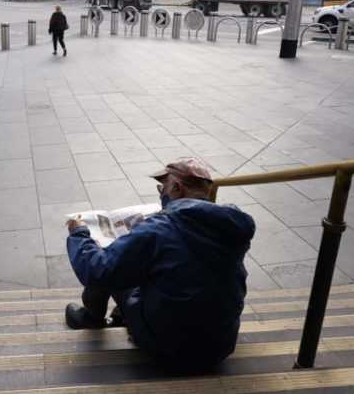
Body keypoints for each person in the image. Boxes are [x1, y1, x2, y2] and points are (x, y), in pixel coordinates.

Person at [64, 157, 256, 373]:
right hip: (220, 345)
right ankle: (122, 314)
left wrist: (79, 234)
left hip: (168, 348)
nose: (161, 192)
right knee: (166, 266)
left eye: (162, 187)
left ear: (176, 187)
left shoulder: (160, 229)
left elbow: (96, 270)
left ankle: (92, 318)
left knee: (109, 260)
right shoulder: (233, 225)